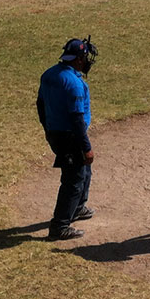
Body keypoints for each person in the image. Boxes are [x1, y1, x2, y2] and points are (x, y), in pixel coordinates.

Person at [37, 37, 98, 240]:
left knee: (84, 172)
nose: (87, 60)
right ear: (78, 59)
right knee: (74, 179)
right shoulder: (74, 84)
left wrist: (47, 128)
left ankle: (78, 207)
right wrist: (86, 147)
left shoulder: (49, 75)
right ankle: (60, 226)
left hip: (56, 132)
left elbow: (40, 104)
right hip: (70, 136)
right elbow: (77, 119)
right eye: (85, 57)